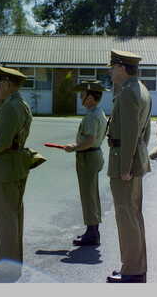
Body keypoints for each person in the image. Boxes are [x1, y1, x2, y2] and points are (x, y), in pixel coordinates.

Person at [0, 66, 36, 278]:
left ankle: (6, 269)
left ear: (8, 84)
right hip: (16, 164)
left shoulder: (10, 107)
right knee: (14, 217)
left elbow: (1, 143)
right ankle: (13, 265)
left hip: (5, 166)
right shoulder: (20, 104)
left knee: (6, 221)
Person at [105, 50, 153, 283]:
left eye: (112, 67)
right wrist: (139, 159)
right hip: (135, 161)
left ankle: (132, 272)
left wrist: (125, 167)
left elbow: (132, 133)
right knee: (134, 216)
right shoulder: (142, 90)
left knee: (126, 218)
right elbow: (146, 132)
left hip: (124, 163)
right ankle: (136, 267)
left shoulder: (128, 93)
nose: (110, 71)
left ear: (122, 68)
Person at [63, 80, 109, 246]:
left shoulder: (91, 116)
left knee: (88, 195)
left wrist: (74, 147)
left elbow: (89, 140)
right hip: (93, 155)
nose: (80, 97)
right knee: (91, 194)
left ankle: (92, 233)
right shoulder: (99, 112)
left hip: (88, 156)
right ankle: (93, 230)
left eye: (82, 94)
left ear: (90, 97)